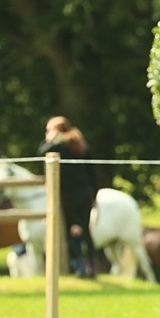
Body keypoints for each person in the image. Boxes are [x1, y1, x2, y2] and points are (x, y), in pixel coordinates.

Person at [37, 116, 99, 278]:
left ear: (57, 130)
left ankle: (79, 267)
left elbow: (41, 152)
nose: (46, 134)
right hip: (85, 193)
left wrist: (50, 140)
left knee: (71, 230)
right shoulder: (81, 144)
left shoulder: (57, 147)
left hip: (67, 195)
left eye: (49, 130)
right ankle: (92, 266)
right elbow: (93, 172)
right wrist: (94, 194)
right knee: (86, 230)